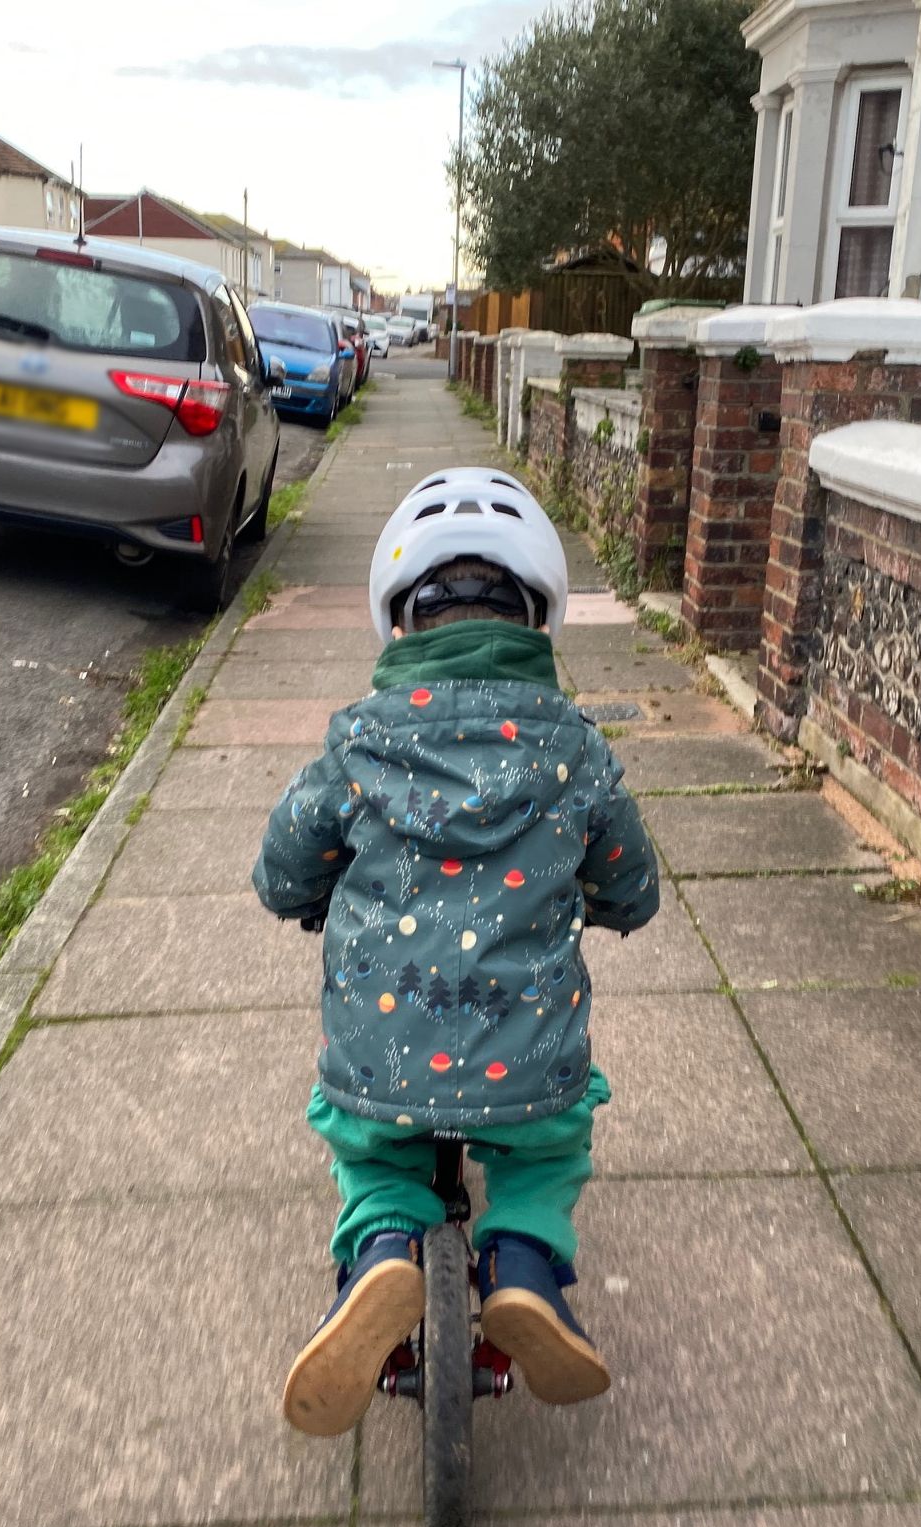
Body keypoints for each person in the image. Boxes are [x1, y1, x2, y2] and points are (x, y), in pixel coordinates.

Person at [252, 468, 659, 1437]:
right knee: (543, 1149)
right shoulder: (573, 748)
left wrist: (311, 893)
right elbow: (631, 882)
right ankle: (522, 1266)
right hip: (527, 1061)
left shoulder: (356, 743)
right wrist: (601, 899)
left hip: (379, 1053)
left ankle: (381, 1248)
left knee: (371, 1147)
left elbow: (279, 868)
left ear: (395, 623)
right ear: (539, 619)